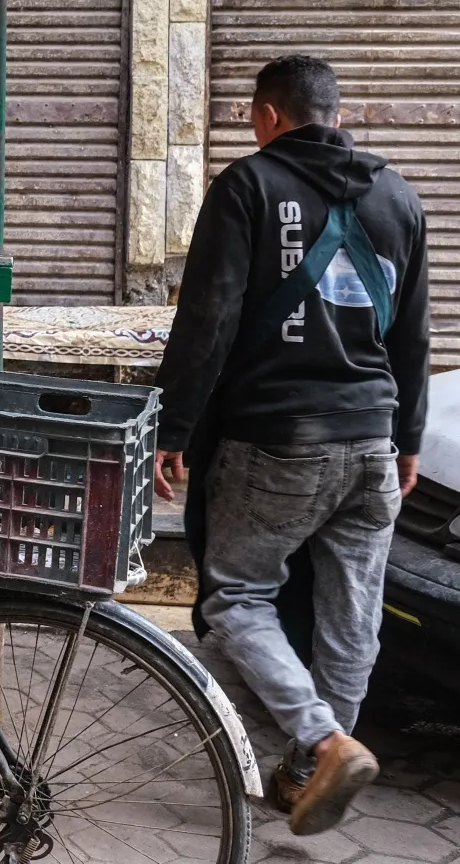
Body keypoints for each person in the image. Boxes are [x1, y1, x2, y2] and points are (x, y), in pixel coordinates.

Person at [153, 54, 429, 838]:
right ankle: (311, 771)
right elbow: (413, 331)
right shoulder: (399, 195)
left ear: (267, 116)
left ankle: (323, 742)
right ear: (338, 115)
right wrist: (407, 437)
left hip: (277, 440)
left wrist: (173, 427)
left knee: (236, 597)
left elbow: (208, 318)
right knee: (353, 616)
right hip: (372, 441)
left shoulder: (248, 185)